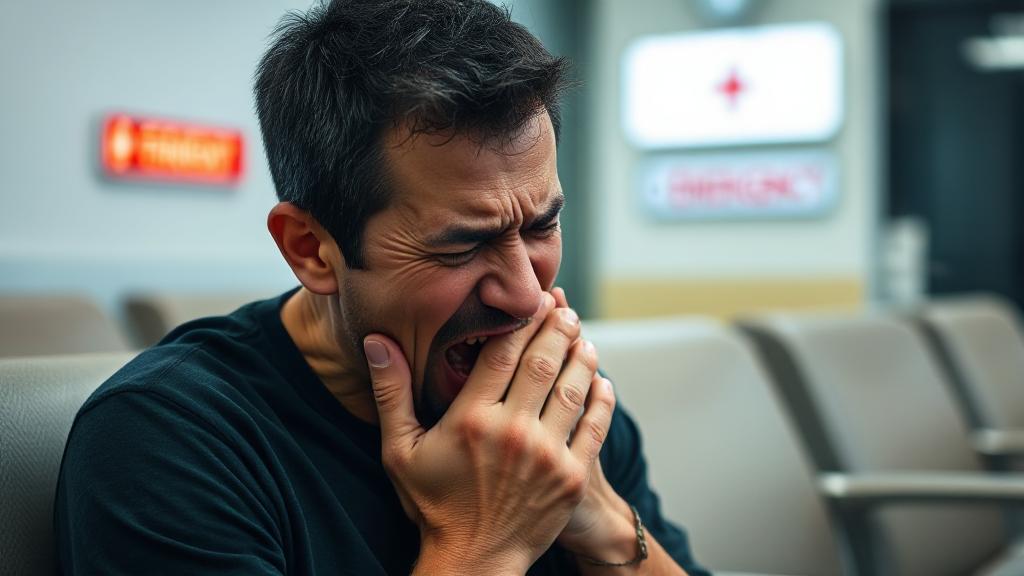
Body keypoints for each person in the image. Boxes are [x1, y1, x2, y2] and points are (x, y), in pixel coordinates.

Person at [54, 1, 709, 574]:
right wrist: (482, 544)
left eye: (542, 225)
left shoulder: (555, 404)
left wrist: (599, 517)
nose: (526, 295)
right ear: (311, 249)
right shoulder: (166, 442)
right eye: (463, 243)